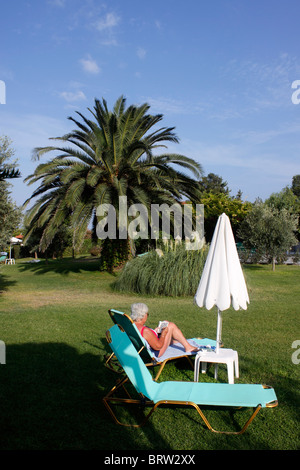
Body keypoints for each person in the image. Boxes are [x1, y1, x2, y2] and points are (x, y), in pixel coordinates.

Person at [130, 302, 199, 358]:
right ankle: (188, 347)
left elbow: (147, 339)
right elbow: (158, 347)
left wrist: (154, 332)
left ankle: (179, 342)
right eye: (147, 314)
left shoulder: (131, 325)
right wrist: (163, 334)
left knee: (166, 323)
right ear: (144, 315)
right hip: (155, 353)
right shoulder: (145, 331)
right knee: (170, 326)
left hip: (140, 352)